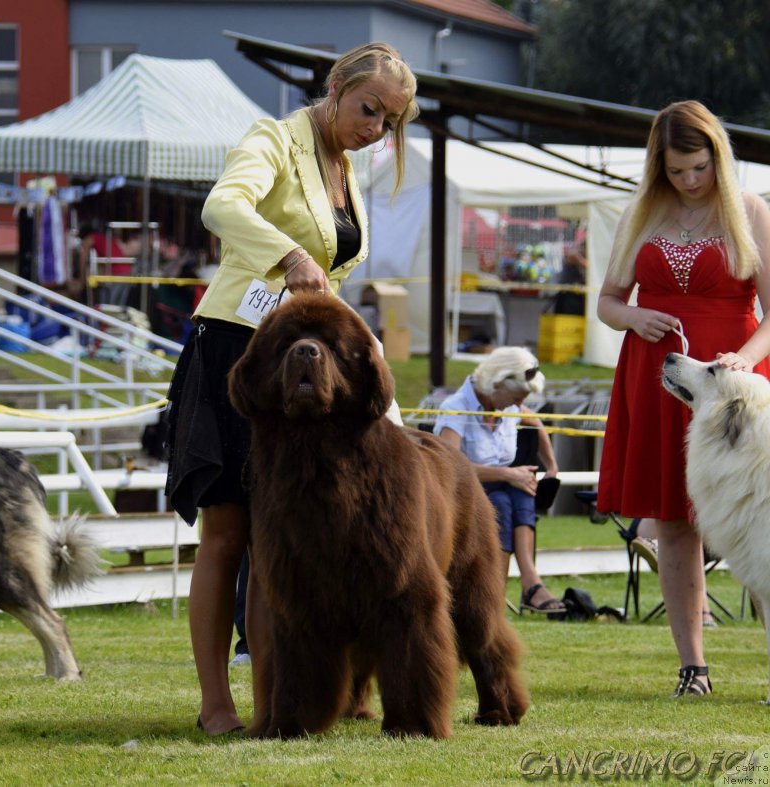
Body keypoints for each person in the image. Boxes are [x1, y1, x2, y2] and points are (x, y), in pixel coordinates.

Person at [163, 43, 419, 735]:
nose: (377, 129)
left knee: (281, 539)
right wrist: (290, 252)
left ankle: (280, 703)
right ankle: (218, 703)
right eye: (370, 110)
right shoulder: (273, 140)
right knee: (229, 530)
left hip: (309, 368)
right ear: (335, 87)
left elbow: (327, 284)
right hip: (235, 352)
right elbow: (222, 207)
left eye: (390, 122)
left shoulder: (345, 170)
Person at [596, 100, 770, 697]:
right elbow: (608, 302)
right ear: (658, 167)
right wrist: (633, 314)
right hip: (656, 371)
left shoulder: (750, 211)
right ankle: (692, 667)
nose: (690, 181)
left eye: (699, 168)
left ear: (717, 157)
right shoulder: (640, 213)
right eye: (677, 171)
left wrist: (745, 358)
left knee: (757, 518)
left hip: (734, 380)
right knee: (673, 521)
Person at [433, 347, 565, 614]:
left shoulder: (508, 405)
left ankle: (515, 586)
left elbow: (535, 421)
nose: (518, 406)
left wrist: (551, 465)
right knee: (506, 498)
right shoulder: (456, 409)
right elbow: (451, 467)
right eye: (516, 397)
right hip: (462, 495)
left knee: (515, 492)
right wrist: (508, 474)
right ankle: (517, 587)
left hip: (502, 490)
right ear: (496, 385)